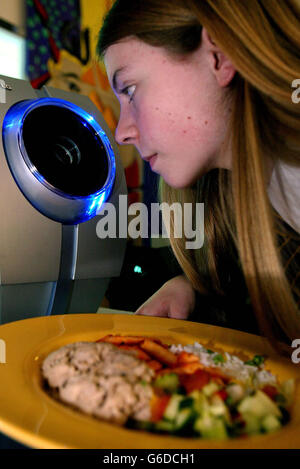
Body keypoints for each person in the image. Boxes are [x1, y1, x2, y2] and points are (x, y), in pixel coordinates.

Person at [97, 0, 300, 355]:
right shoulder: (248, 196)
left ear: (218, 55)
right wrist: (198, 295)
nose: (122, 131)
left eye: (129, 90)